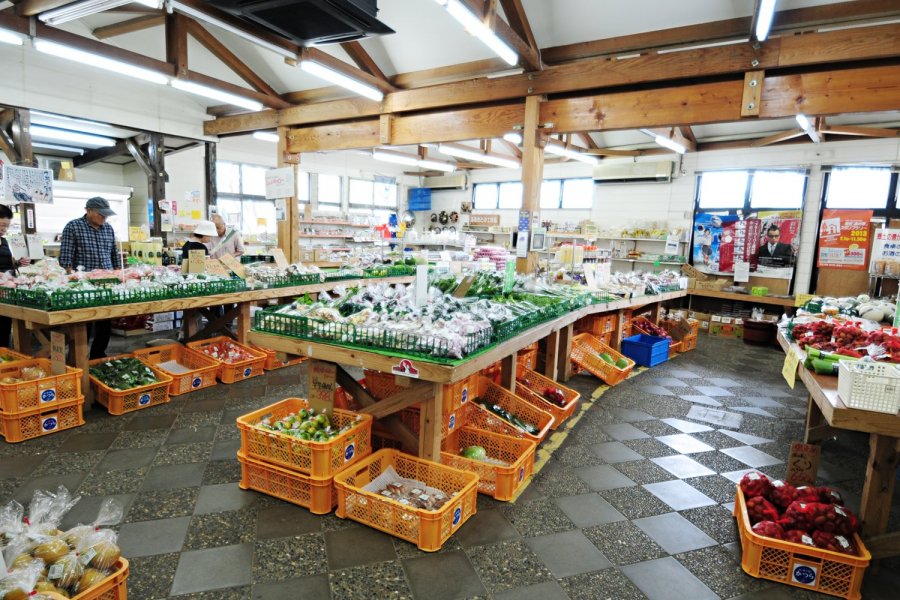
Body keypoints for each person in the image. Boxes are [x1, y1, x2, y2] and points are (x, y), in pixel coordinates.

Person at [60, 197, 122, 359]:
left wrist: (118, 274)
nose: (104, 218)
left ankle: (98, 355)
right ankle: (79, 357)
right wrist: (72, 279)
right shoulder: (73, 226)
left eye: (106, 215)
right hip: (84, 284)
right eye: (101, 214)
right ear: (88, 211)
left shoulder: (108, 228)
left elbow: (114, 254)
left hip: (107, 283)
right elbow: (66, 258)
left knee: (105, 319)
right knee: (84, 321)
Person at [0, 205, 31, 348]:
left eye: (7, 226)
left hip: (5, 293)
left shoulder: (4, 241)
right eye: (2, 225)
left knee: (4, 329)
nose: (4, 229)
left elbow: (6, 264)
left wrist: (18, 263)